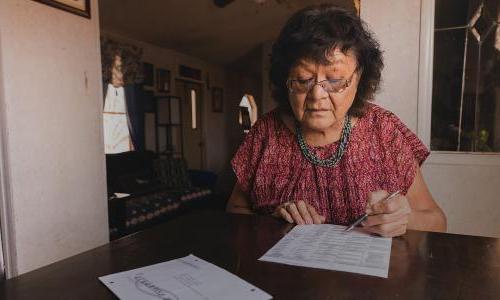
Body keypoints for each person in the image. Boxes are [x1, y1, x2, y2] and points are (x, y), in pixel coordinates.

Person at [226, 4, 446, 237]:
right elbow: (233, 210)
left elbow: (438, 221)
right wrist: (272, 220)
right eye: (303, 79)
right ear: (285, 80)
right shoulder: (266, 133)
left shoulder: (385, 131)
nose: (317, 95)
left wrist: (405, 219)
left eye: (335, 80)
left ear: (359, 78)